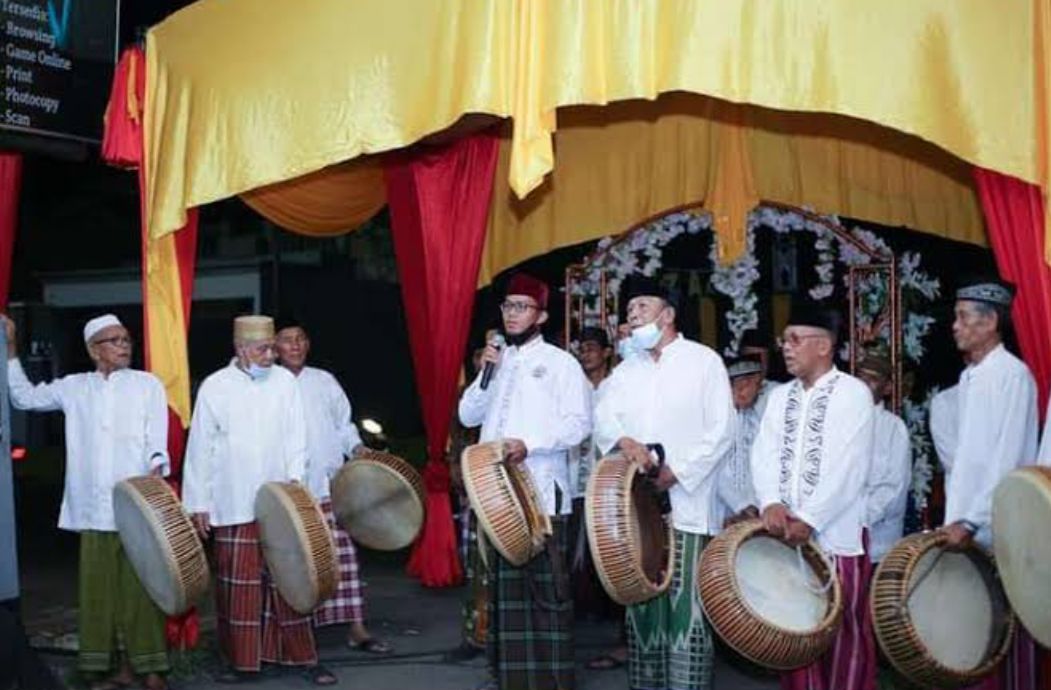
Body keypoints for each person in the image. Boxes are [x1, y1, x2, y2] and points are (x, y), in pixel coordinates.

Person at [3, 314, 169, 690]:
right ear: (95, 349)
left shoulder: (147, 385)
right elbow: (23, 398)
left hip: (136, 505)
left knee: (140, 590)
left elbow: (156, 438)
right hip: (93, 508)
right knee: (98, 593)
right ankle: (106, 671)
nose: (124, 345)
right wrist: (11, 350)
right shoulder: (74, 387)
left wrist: (157, 467)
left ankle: (150, 669)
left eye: (126, 339)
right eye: (114, 340)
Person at [594, 275, 734, 690]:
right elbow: (604, 415)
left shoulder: (703, 360)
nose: (632, 314)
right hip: (636, 504)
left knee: (684, 606)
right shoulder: (626, 370)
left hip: (688, 504)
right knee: (641, 602)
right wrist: (625, 441)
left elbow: (723, 430)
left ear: (668, 314)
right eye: (629, 309)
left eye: (642, 306)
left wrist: (678, 472)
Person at [182, 315, 335, 686]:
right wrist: (198, 503)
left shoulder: (284, 382)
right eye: (263, 349)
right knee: (239, 585)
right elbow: (200, 448)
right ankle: (243, 664)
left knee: (291, 578)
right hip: (231, 500)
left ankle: (303, 659)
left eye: (271, 348)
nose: (272, 355)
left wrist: (297, 485)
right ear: (240, 350)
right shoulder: (215, 387)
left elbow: (296, 436)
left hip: (280, 500)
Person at [458, 273, 592, 690]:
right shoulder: (497, 363)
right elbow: (467, 416)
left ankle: (553, 682)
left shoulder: (560, 363)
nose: (512, 315)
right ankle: (511, 678)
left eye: (521, 307)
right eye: (507, 307)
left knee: (547, 594)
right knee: (505, 595)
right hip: (496, 497)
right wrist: (485, 374)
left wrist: (528, 444)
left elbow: (579, 426)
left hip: (541, 496)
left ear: (542, 315)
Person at [750, 301, 875, 690]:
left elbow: (849, 466)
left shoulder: (853, 393)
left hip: (836, 536)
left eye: (794, 339)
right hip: (786, 535)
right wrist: (770, 501)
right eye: (784, 340)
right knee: (796, 629)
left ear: (824, 346)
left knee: (843, 630)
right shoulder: (779, 396)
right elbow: (763, 453)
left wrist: (810, 519)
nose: (786, 347)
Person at [273, 319, 392, 655]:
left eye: (300, 339)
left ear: (308, 344)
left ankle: (356, 628)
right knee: (300, 560)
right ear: (274, 346)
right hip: (291, 490)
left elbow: (343, 424)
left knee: (343, 557)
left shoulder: (324, 381)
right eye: (286, 340)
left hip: (329, 485)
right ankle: (300, 631)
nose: (295, 346)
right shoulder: (269, 385)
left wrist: (356, 448)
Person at [940, 278, 1037, 551]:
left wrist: (972, 520)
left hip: (994, 525)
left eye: (963, 316)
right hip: (963, 524)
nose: (955, 326)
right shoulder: (969, 376)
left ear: (990, 321)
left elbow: (1008, 456)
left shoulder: (1012, 375)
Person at [854, 353, 911, 564]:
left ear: (887, 388)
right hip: (840, 540)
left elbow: (893, 489)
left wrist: (859, 519)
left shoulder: (894, 428)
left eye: (872, 379)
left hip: (879, 543)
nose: (864, 385)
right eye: (860, 377)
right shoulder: (839, 423)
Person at [716, 354, 766, 528]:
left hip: (759, 511)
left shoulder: (759, 415)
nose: (741, 392)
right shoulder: (718, 420)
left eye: (747, 385)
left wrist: (754, 506)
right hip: (725, 512)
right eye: (736, 386)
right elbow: (716, 470)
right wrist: (741, 506)